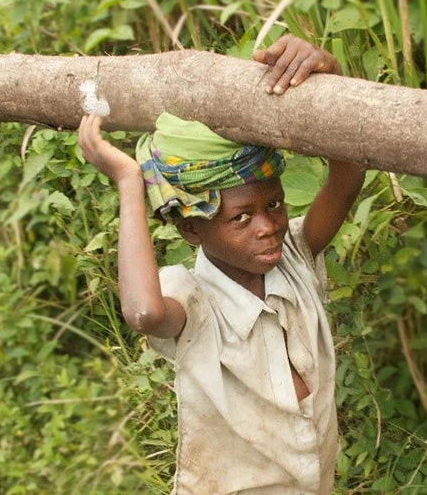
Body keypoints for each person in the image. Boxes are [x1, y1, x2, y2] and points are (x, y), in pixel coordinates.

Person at [76, 35, 366, 494]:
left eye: (273, 205)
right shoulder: (192, 301)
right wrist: (131, 181)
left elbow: (348, 173)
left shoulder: (295, 257)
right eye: (241, 218)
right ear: (192, 230)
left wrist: (327, 75)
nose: (267, 227)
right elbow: (144, 314)